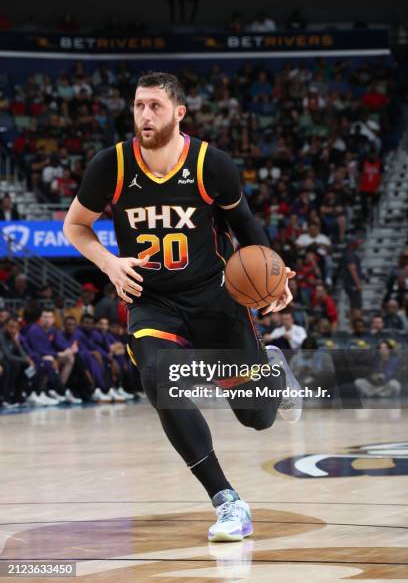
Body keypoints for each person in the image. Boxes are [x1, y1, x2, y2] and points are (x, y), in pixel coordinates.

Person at [64, 71, 301, 543]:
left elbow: (245, 227)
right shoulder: (108, 166)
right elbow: (76, 227)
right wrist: (110, 264)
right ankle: (227, 499)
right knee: (158, 379)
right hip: (151, 300)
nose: (144, 115)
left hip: (215, 297)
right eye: (138, 106)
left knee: (257, 418)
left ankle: (271, 369)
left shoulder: (212, 164)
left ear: (179, 112)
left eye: (154, 106)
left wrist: (276, 276)